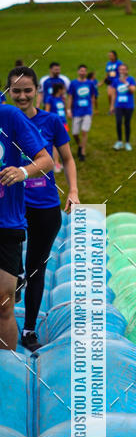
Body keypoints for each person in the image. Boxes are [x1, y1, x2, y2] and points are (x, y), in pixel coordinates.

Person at [6, 66, 79, 351]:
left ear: (37, 91)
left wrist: (72, 190)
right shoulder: (4, 121)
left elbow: (68, 159)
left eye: (27, 90)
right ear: (9, 92)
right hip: (11, 206)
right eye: (16, 91)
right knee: (14, 269)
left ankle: (29, 330)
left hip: (44, 205)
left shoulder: (51, 121)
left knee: (37, 268)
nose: (22, 96)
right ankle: (17, 281)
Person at [0, 104, 53, 352]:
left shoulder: (9, 116)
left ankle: (6, 376)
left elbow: (46, 160)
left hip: (5, 224)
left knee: (3, 304)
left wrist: (23, 171)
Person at [67, 64, 98, 161]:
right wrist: (68, 110)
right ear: (78, 72)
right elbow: (70, 97)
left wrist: (92, 109)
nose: (83, 72)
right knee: (75, 133)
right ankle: (80, 145)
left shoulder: (90, 83)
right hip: (76, 111)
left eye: (84, 71)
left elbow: (93, 96)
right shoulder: (73, 83)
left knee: (84, 131)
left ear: (86, 72)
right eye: (81, 70)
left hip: (87, 111)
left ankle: (82, 151)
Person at [110, 63, 136, 150]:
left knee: (127, 124)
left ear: (127, 71)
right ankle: (119, 141)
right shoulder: (116, 81)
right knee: (118, 122)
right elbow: (113, 94)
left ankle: (127, 142)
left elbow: (132, 90)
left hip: (129, 105)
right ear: (119, 71)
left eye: (124, 69)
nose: (122, 71)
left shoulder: (131, 79)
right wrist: (112, 106)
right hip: (118, 105)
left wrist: (125, 82)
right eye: (121, 69)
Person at [48, 83, 68, 172]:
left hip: (63, 122)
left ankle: (61, 162)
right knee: (55, 144)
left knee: (63, 143)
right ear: (59, 89)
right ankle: (56, 163)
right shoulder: (50, 99)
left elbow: (63, 110)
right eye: (63, 89)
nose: (64, 90)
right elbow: (47, 111)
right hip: (54, 123)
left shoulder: (61, 98)